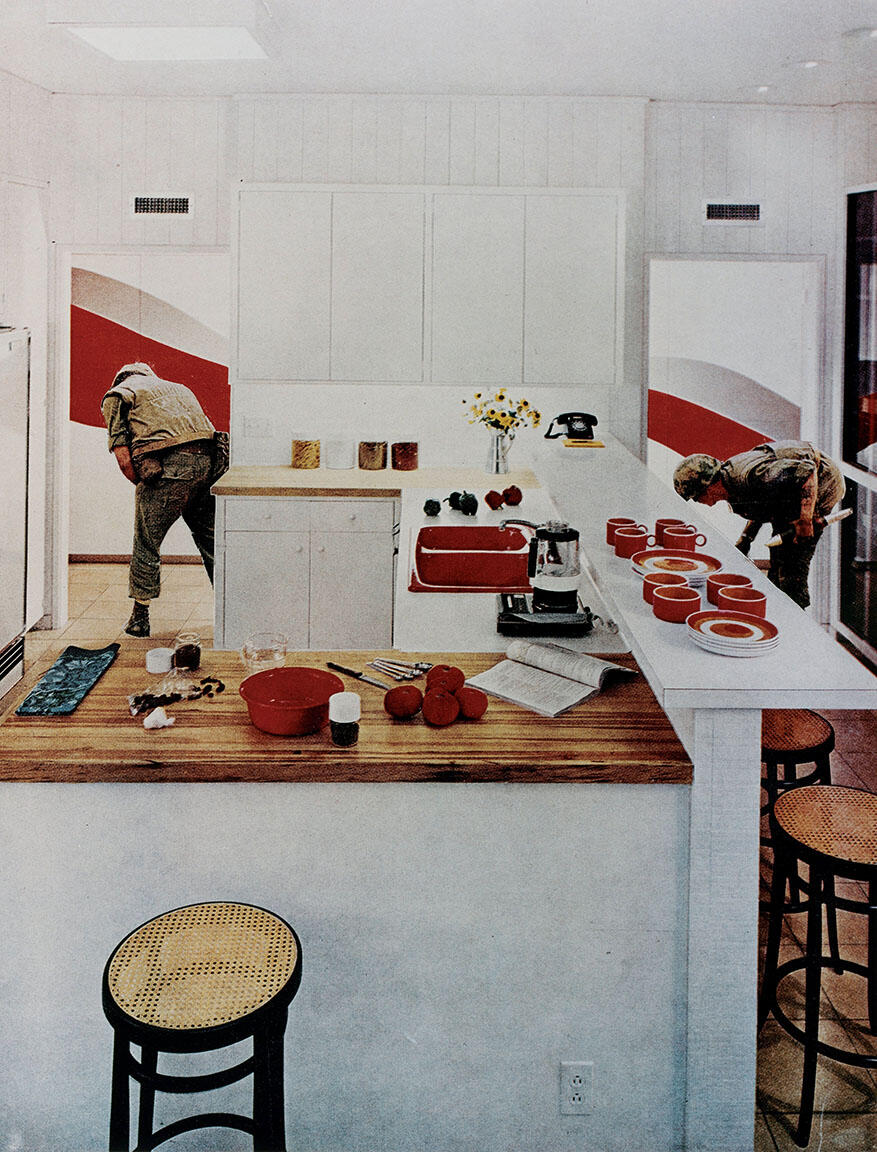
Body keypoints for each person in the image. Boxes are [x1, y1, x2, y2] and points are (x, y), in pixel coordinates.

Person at [101, 363, 220, 637]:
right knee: (212, 542)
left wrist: (148, 490)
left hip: (168, 468)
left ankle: (140, 617)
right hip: (209, 465)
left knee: (146, 542)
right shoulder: (180, 387)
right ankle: (231, 611)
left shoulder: (119, 394)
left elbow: (123, 458)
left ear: (120, 379)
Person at [673, 440, 845, 609]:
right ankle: (778, 603)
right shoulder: (731, 483)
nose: (697, 501)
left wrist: (805, 521)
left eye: (695, 496)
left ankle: (794, 615)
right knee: (778, 555)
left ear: (708, 487)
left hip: (822, 482)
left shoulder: (750, 476)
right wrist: (746, 538)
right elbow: (761, 503)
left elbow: (807, 471)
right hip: (792, 491)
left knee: (792, 563)